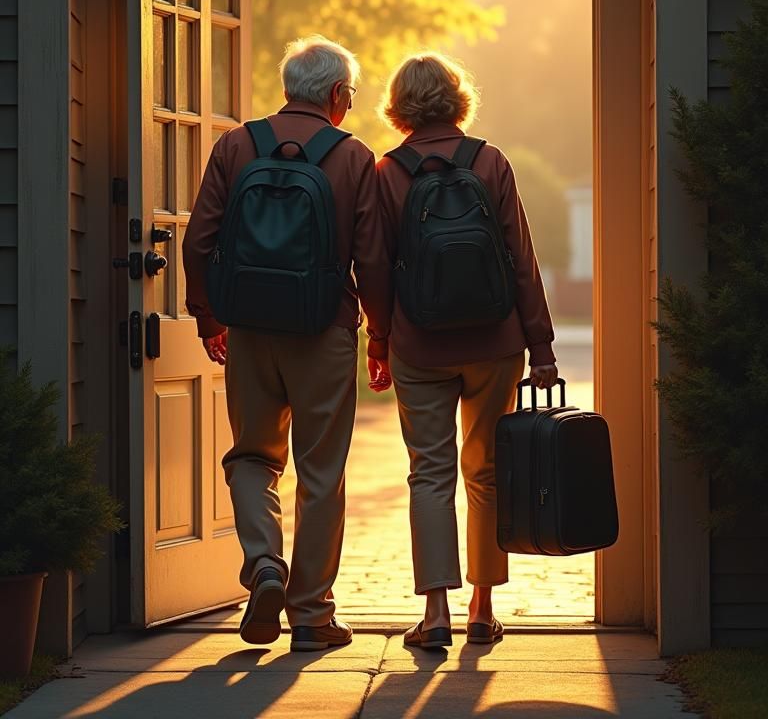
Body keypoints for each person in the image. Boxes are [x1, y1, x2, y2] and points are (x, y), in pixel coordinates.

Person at [182, 35, 392, 652]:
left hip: (249, 328)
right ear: (337, 95)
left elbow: (198, 241)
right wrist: (379, 336)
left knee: (252, 456)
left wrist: (208, 318)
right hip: (324, 328)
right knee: (320, 471)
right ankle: (311, 615)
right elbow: (372, 260)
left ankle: (264, 565)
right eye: (351, 95)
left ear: (286, 88)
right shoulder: (354, 157)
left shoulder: (236, 145)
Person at [376, 52, 558, 650]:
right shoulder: (489, 161)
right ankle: (482, 607)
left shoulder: (388, 171)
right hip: (494, 342)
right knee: (486, 471)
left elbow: (375, 266)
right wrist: (541, 346)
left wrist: (380, 337)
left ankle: (435, 615)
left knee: (430, 474)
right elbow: (521, 259)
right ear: (457, 98)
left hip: (419, 345)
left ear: (400, 105)